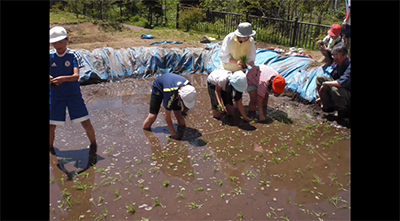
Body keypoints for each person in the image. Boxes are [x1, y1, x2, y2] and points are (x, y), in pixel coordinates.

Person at [49, 26, 97, 155]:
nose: (57, 45)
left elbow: (76, 76)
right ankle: (51, 150)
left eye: (60, 42)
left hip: (73, 94)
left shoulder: (73, 55)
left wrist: (62, 79)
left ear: (67, 40)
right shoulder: (50, 56)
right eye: (54, 43)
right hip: (55, 95)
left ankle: (94, 145)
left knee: (85, 121)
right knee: (51, 125)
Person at [142, 73, 197, 140]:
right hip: (159, 88)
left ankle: (182, 131)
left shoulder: (190, 89)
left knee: (179, 115)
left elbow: (187, 102)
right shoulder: (170, 93)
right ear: (179, 96)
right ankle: (145, 131)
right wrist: (173, 134)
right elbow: (167, 117)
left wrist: (184, 111)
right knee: (152, 116)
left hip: (175, 88)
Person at [316, 45, 351, 120]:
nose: (335, 58)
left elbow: (341, 83)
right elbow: (333, 77)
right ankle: (328, 106)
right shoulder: (337, 64)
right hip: (341, 88)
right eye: (334, 55)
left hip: (348, 91)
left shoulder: (349, 66)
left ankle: (343, 113)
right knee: (320, 79)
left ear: (345, 55)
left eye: (337, 55)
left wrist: (326, 84)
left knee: (334, 88)